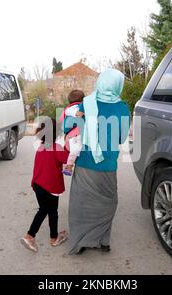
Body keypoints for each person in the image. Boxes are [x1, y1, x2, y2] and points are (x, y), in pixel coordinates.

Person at [68, 69, 131, 255]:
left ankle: (80, 242)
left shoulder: (86, 104)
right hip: (107, 165)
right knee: (107, 203)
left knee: (81, 204)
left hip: (84, 162)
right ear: (117, 85)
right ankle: (103, 241)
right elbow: (121, 138)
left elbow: (73, 127)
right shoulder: (122, 108)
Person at [21, 118, 70, 252]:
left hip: (38, 185)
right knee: (49, 211)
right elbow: (67, 158)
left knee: (47, 210)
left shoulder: (41, 147)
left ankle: (52, 237)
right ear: (56, 133)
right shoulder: (56, 148)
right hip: (50, 187)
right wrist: (67, 142)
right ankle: (31, 236)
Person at [60, 90, 85, 176]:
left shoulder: (69, 108)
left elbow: (61, 120)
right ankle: (69, 166)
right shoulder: (72, 108)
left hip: (74, 133)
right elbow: (78, 114)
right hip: (75, 134)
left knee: (75, 149)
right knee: (75, 150)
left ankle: (69, 164)